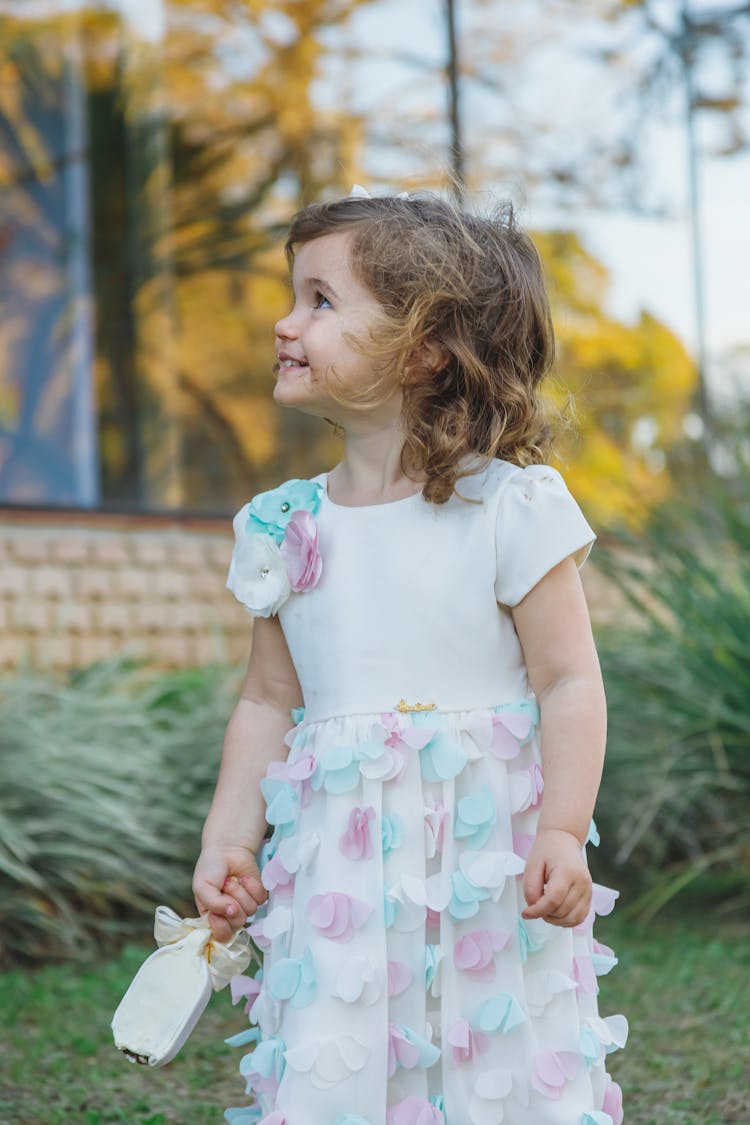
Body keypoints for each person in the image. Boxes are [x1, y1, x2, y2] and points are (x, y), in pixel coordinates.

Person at [192, 189, 626, 1125]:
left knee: (494, 1057)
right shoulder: (285, 524)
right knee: (339, 1043)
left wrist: (561, 827)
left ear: (424, 346)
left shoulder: (509, 508)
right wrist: (230, 838)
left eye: (320, 300)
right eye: (292, 296)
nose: (284, 322)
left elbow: (568, 679)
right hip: (339, 859)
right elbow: (269, 700)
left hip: (484, 854)